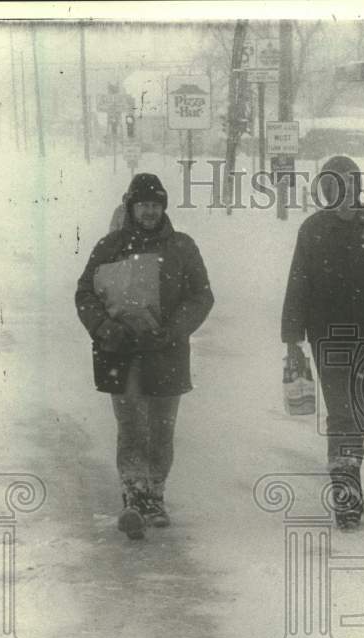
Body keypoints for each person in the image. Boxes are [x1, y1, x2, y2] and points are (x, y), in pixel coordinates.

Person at [76, 173, 214, 539]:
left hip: (165, 353)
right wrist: (105, 328)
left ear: (163, 207)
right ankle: (134, 497)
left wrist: (172, 330)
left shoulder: (182, 247)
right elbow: (85, 294)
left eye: (155, 205)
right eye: (143, 205)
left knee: (161, 430)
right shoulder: (109, 246)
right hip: (120, 353)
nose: (149, 212)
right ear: (130, 207)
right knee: (132, 427)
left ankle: (155, 493)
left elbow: (201, 296)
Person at [281, 155, 364, 530]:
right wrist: (292, 339)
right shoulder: (313, 229)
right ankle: (346, 490)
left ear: (357, 187)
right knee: (341, 410)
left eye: (347, 184)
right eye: (331, 186)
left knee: (356, 410)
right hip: (328, 337)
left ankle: (348, 474)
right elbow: (299, 283)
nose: (340, 193)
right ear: (324, 190)